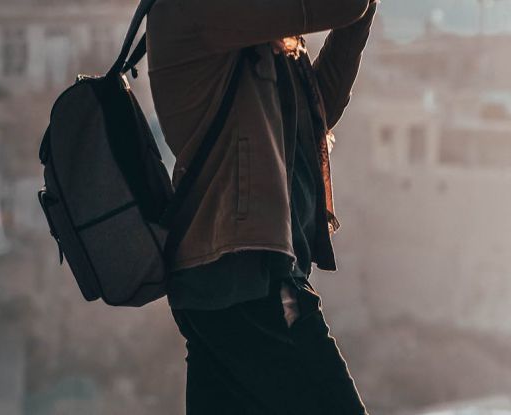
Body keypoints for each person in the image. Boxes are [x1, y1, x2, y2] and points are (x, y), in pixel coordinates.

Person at [146, 0, 378, 413]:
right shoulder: (197, 11)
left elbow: (319, 109)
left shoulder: (259, 36)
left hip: (232, 282)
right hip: (244, 280)